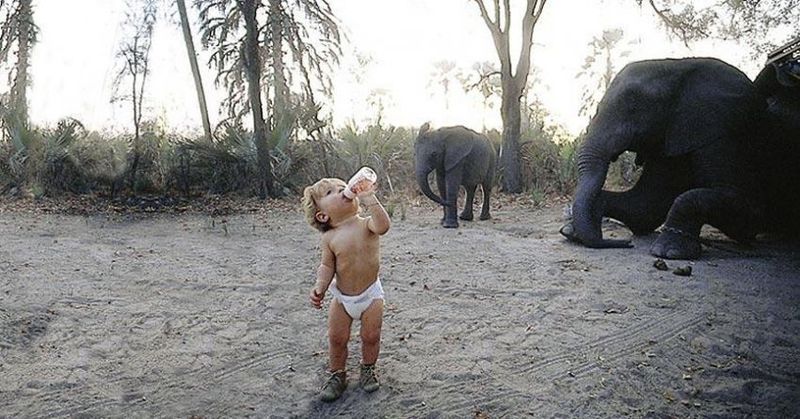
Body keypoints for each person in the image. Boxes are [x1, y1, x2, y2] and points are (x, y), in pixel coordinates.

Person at [301, 176, 391, 402]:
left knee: (371, 336)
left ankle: (368, 368)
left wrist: (370, 197)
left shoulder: (366, 224)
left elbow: (383, 226)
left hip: (371, 295)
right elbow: (326, 266)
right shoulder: (329, 237)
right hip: (342, 298)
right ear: (322, 216)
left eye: (343, 187)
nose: (342, 190)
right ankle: (337, 374)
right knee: (336, 338)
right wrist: (320, 286)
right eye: (331, 192)